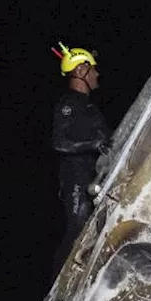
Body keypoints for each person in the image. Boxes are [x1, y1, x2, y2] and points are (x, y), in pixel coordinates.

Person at [50, 42, 111, 281]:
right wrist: (93, 144)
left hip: (93, 177)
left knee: (93, 231)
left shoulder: (89, 107)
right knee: (76, 229)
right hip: (75, 178)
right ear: (80, 71)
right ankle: (56, 288)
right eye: (92, 69)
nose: (97, 74)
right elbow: (59, 143)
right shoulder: (69, 103)